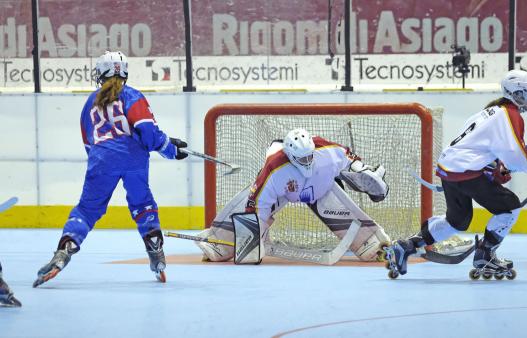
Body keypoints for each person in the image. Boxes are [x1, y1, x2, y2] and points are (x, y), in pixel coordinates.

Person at [33, 51, 188, 287]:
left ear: (99, 72)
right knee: (142, 203)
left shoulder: (90, 103)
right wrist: (169, 148)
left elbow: (88, 142)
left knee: (86, 210)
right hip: (134, 158)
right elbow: (148, 132)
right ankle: (155, 249)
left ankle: (64, 251)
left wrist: (100, 162)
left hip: (101, 159)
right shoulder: (132, 95)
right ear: (124, 71)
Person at [385, 70, 527, 280]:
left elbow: (485, 149)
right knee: (510, 207)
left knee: (458, 221)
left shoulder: (490, 111)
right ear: (518, 93)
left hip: (450, 168)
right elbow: (514, 154)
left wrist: (496, 169)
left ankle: (407, 245)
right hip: (467, 171)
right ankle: (485, 255)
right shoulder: (510, 114)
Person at [196, 128, 392, 264]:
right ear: (289, 155)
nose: (307, 160)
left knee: (338, 205)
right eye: (302, 158)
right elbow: (257, 203)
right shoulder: (274, 169)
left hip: (320, 185)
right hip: (284, 191)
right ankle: (218, 244)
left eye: (309, 155)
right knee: (252, 208)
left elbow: (348, 155)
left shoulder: (326, 151)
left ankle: (372, 244)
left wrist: (361, 169)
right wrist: (252, 239)